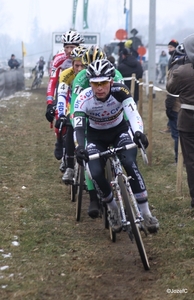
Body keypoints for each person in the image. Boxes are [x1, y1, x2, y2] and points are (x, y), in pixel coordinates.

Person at [73, 59, 159, 233]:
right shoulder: (83, 98)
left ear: (111, 81)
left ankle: (146, 213)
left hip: (119, 131)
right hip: (96, 137)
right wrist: (79, 147)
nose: (99, 88)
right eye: (95, 84)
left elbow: (133, 114)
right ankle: (112, 209)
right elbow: (79, 127)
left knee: (129, 164)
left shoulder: (120, 90)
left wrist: (138, 133)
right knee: (95, 172)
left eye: (104, 83)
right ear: (90, 83)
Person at [68, 45, 124, 218]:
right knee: (86, 150)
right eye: (88, 67)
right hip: (88, 115)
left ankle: (123, 182)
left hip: (112, 117)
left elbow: (125, 99)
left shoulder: (116, 74)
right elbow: (76, 104)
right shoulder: (81, 77)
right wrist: (76, 122)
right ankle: (93, 197)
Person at [45, 30, 85, 163]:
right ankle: (59, 141)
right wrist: (50, 102)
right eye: (66, 47)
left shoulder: (84, 57)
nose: (68, 50)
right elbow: (52, 81)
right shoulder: (59, 58)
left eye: (72, 47)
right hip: (64, 89)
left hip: (80, 90)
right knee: (60, 118)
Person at [166, 33, 194, 207]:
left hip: (188, 120)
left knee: (191, 162)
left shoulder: (182, 71)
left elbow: (171, 88)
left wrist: (175, 66)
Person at [54, 46, 87, 178]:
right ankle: (69, 166)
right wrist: (61, 115)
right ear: (72, 63)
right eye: (76, 65)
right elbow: (61, 96)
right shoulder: (65, 74)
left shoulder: (91, 74)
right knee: (69, 128)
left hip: (89, 105)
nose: (79, 69)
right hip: (72, 105)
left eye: (82, 66)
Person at [161, 39, 179, 134]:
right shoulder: (171, 57)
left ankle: (172, 128)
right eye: (168, 47)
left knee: (174, 107)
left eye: (171, 47)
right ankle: (170, 126)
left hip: (174, 85)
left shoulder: (176, 58)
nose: (169, 49)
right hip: (170, 83)